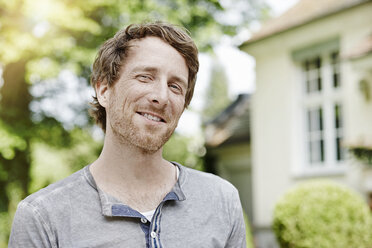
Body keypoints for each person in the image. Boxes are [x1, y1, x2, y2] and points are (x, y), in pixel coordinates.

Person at [9, 22, 246, 248]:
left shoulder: (221, 200)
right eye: (145, 77)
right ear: (103, 91)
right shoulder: (42, 217)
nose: (161, 96)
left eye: (175, 86)